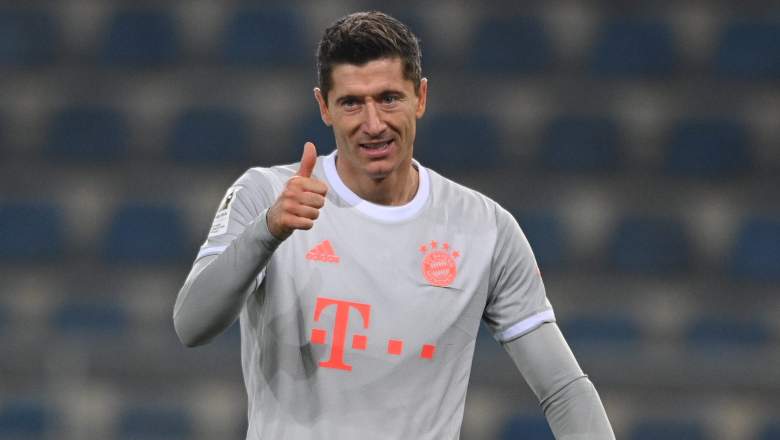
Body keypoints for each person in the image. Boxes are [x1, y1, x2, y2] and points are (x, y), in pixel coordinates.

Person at [173, 10, 615, 439]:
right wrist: (267, 231)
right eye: (351, 103)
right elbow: (192, 325)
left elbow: (563, 390)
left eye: (388, 98)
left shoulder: (485, 229)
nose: (373, 124)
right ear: (324, 107)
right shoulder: (270, 196)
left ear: (420, 97)